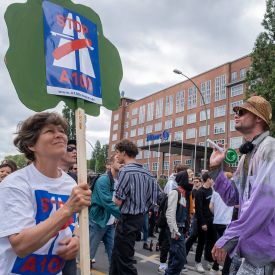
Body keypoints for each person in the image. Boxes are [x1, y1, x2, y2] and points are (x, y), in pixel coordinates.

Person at [0, 112, 91, 275]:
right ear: (31, 145)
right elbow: (21, 246)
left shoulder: (70, 183)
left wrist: (76, 240)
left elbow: (75, 225)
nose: (59, 135)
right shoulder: (15, 184)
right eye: (49, 131)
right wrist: (68, 208)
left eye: (62, 131)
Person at [210, 96, 275, 275]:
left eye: (241, 111)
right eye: (236, 112)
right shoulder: (247, 155)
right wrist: (216, 170)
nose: (236, 115)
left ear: (259, 118)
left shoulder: (270, 149)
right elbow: (233, 197)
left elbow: (265, 203)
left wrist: (230, 237)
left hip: (265, 254)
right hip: (246, 249)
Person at [110, 139, 159, 275]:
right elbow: (154, 199)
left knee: (124, 260)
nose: (117, 155)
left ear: (124, 153)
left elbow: (118, 201)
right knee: (117, 256)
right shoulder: (147, 172)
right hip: (139, 218)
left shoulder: (125, 171)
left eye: (118, 152)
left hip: (127, 219)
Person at [89, 155, 121, 267]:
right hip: (98, 220)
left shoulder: (119, 180)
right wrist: (124, 216)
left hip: (110, 222)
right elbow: (107, 202)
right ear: (111, 164)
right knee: (89, 253)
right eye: (118, 160)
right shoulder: (103, 179)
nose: (121, 162)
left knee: (113, 252)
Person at [164, 171, 193, 275]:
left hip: (180, 229)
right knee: (180, 259)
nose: (192, 179)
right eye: (190, 177)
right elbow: (170, 214)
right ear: (184, 179)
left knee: (174, 257)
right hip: (175, 230)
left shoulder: (184, 193)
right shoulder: (175, 192)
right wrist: (174, 231)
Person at [58, 138, 78, 275]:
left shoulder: (73, 181)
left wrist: (76, 237)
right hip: (44, 248)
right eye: (70, 148)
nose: (75, 151)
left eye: (76, 149)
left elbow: (78, 216)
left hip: (68, 245)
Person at [209, 175, 234, 275]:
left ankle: (215, 267)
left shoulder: (215, 191)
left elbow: (211, 206)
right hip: (227, 222)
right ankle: (225, 271)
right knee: (229, 248)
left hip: (217, 221)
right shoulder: (232, 191)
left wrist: (217, 214)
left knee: (218, 245)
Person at [194, 173, 216, 273]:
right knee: (201, 242)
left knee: (211, 242)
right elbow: (198, 209)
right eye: (212, 179)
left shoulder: (212, 190)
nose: (213, 181)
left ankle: (209, 261)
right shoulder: (200, 192)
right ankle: (197, 262)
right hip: (203, 222)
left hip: (213, 221)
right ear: (208, 179)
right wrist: (203, 223)